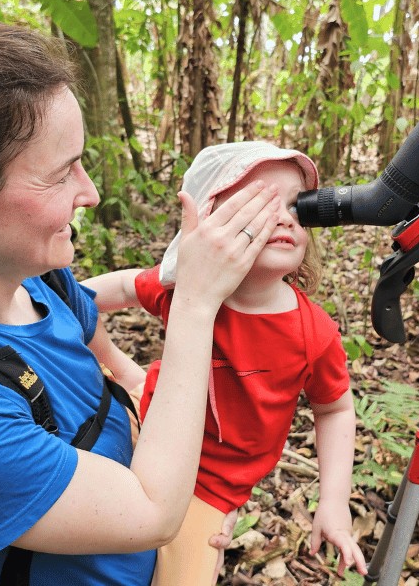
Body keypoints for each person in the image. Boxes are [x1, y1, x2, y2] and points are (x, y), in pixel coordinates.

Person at [0, 20, 282, 586]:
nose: (90, 192)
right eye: (60, 172)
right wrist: (196, 303)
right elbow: (150, 513)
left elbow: (105, 366)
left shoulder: (39, 280)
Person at [84, 142, 369, 584]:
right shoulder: (186, 290)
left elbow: (334, 408)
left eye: (298, 206)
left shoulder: (312, 331)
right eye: (255, 206)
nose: (283, 216)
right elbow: (112, 290)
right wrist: (56, 298)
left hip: (209, 489)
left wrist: (334, 502)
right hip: (143, 431)